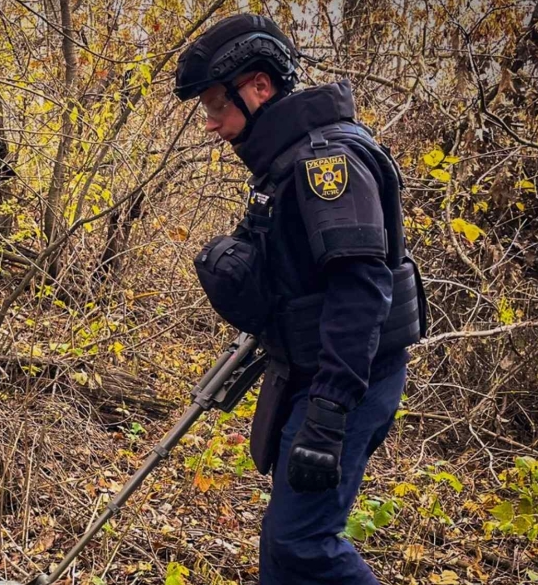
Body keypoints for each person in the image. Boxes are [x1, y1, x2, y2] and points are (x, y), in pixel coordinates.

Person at [175, 14, 428, 585]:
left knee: (303, 541)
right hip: (309, 368)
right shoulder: (285, 161)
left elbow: (361, 289)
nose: (212, 124)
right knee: (284, 538)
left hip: (345, 378)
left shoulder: (327, 164)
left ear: (259, 87)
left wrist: (329, 412)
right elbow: (301, 274)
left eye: (217, 106)